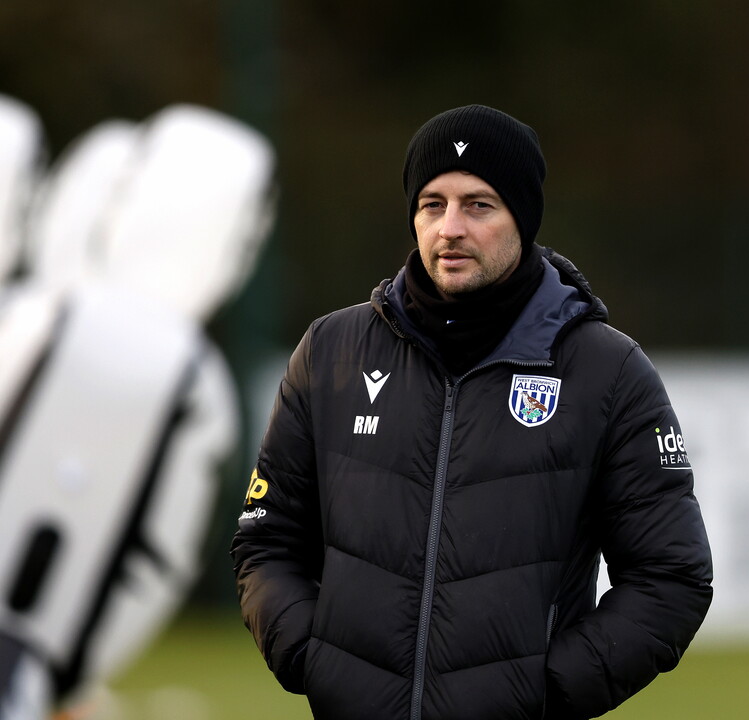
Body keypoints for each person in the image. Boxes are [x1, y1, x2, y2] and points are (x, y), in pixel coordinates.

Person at [231, 104, 713, 720]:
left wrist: (550, 692)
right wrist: (310, 657)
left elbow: (672, 576)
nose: (450, 227)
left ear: (524, 217)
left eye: (478, 205)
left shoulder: (606, 372)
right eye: (433, 204)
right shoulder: (331, 353)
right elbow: (265, 538)